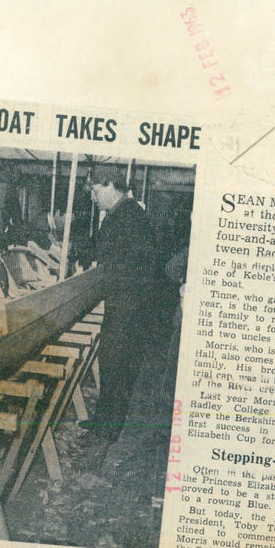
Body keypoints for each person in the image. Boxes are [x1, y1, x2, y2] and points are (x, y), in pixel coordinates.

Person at [79, 169, 157, 446]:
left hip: (129, 305)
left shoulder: (128, 217)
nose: (92, 197)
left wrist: (98, 274)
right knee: (111, 363)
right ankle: (103, 423)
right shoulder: (124, 214)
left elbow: (123, 263)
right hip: (124, 302)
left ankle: (106, 432)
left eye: (95, 190)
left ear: (112, 184)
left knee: (117, 365)